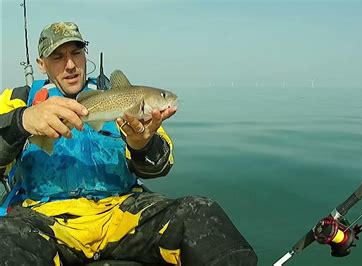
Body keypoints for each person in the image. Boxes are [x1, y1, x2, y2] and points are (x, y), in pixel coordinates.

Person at [0, 21, 257, 265]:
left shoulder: (123, 99)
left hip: (121, 215)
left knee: (201, 212)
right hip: (46, 220)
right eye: (57, 57)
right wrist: (21, 121)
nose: (70, 64)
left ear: (84, 53)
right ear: (41, 64)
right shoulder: (18, 99)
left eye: (76, 53)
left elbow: (161, 165)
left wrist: (141, 145)